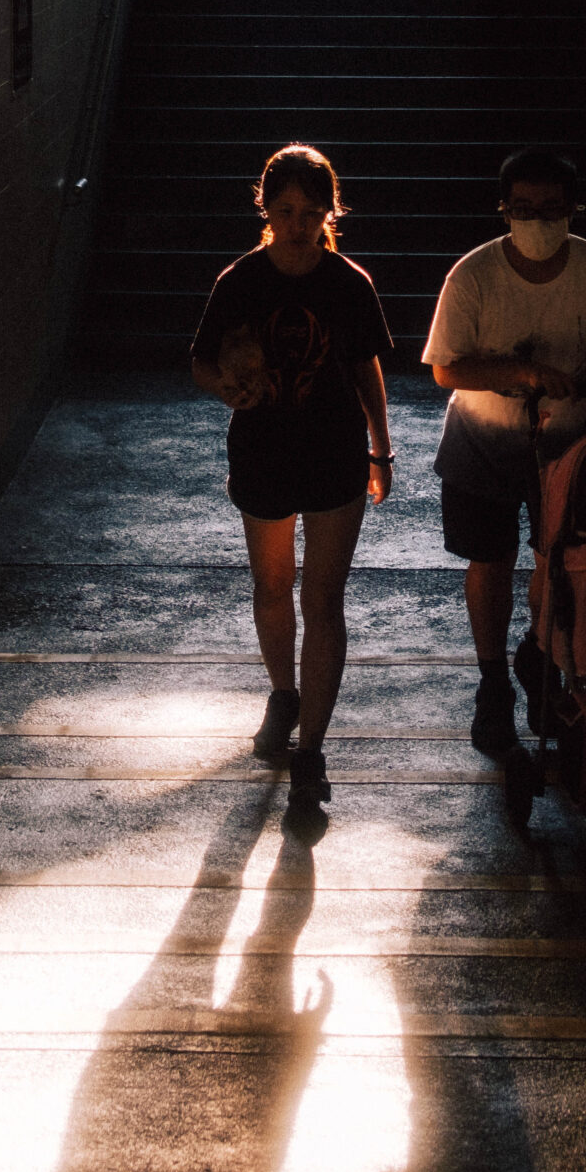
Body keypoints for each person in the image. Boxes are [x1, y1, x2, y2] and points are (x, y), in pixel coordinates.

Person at [422, 147, 586, 754]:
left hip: (565, 442)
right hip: (482, 438)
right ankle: (494, 681)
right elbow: (447, 370)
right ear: (505, 211)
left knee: (560, 560)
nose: (538, 222)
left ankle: (540, 654)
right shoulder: (472, 276)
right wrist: (521, 372)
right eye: (524, 209)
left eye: (551, 210)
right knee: (490, 560)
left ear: (573, 211)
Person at [190, 143, 394, 824]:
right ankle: (284, 694)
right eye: (285, 211)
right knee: (273, 586)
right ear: (265, 208)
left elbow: (366, 369)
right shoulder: (240, 281)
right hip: (263, 451)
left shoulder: (347, 283)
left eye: (311, 212)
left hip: (334, 453)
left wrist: (381, 450)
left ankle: (311, 749)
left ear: (327, 212)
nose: (298, 224)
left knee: (324, 599)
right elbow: (199, 361)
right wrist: (227, 388)